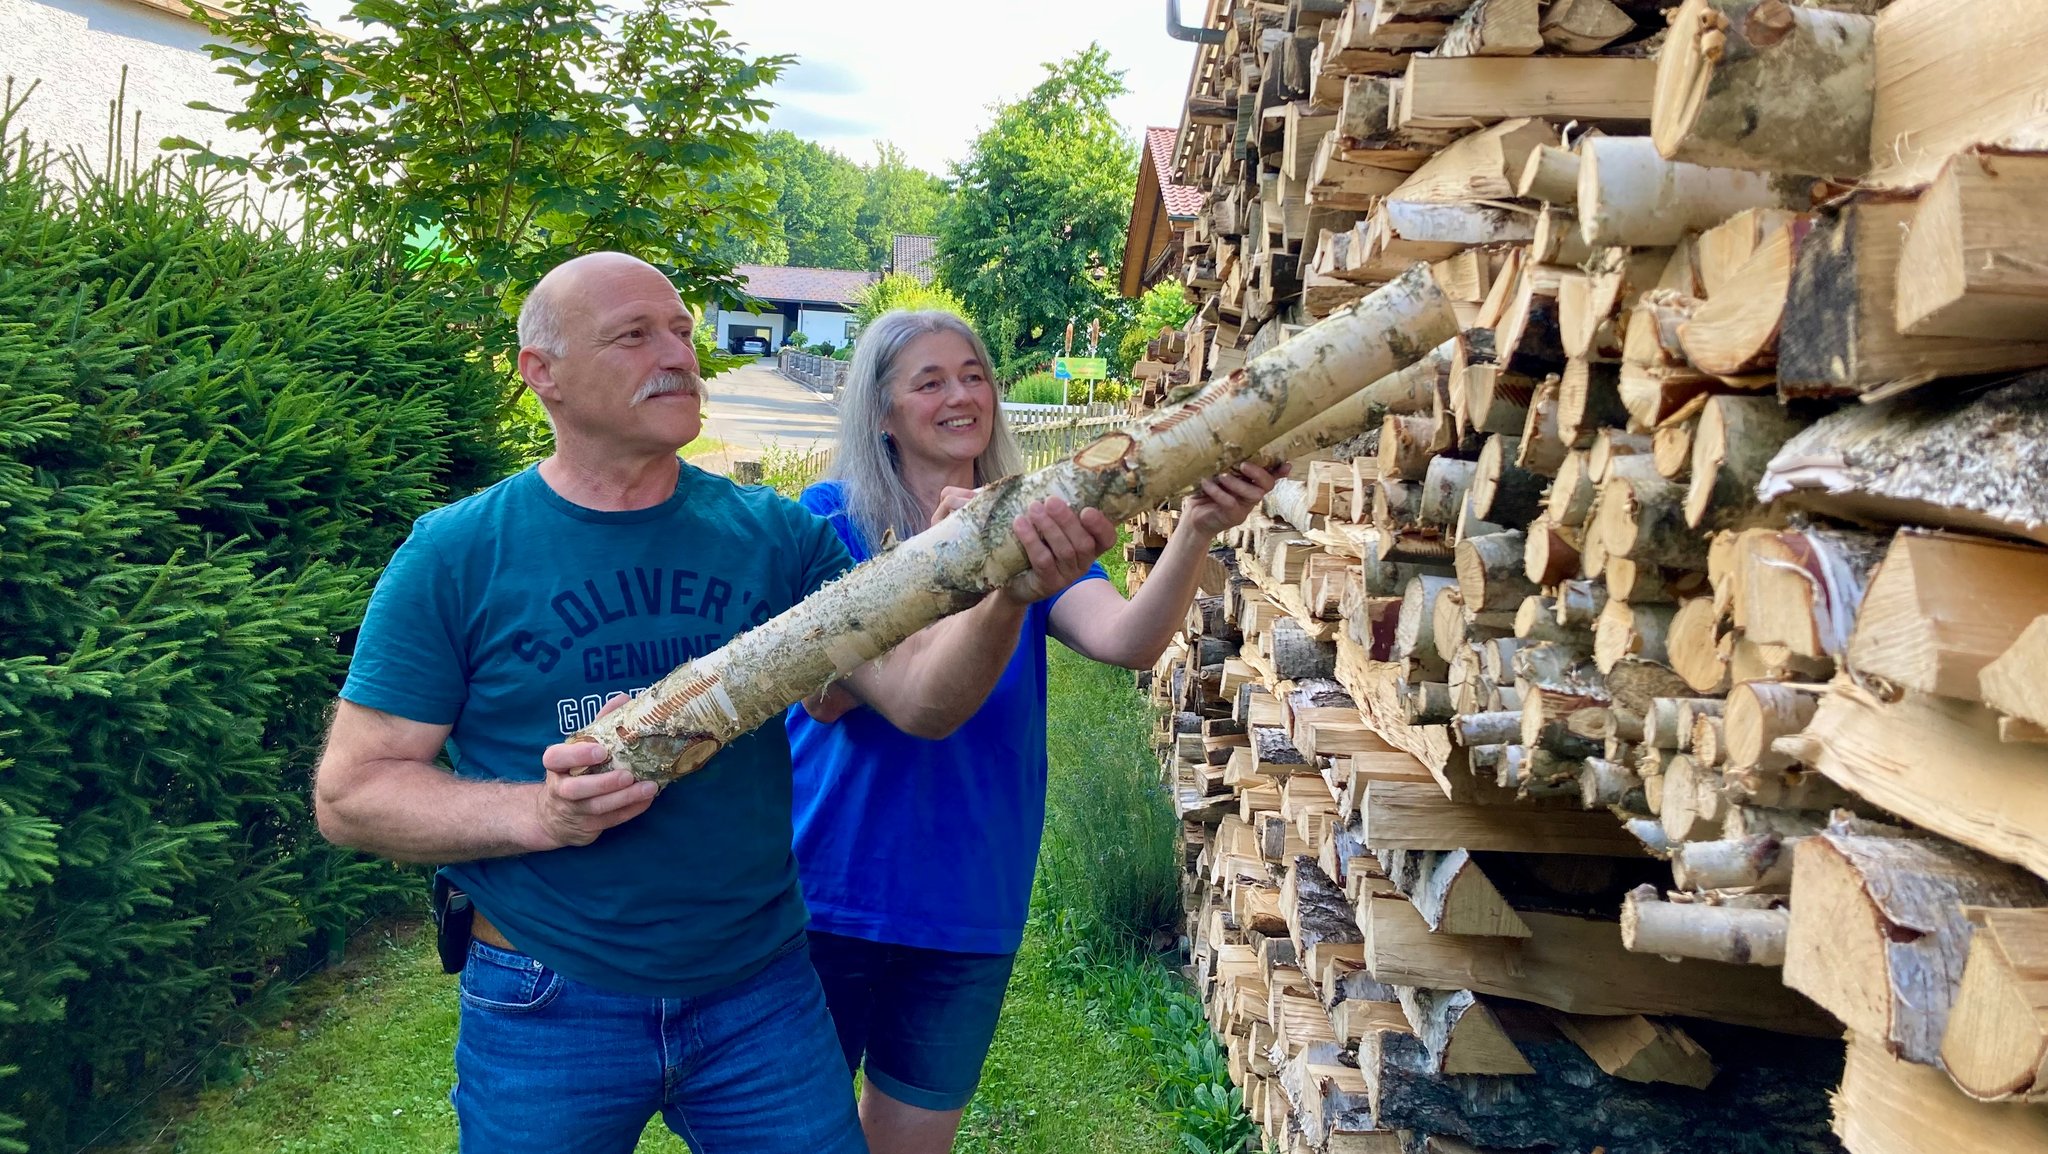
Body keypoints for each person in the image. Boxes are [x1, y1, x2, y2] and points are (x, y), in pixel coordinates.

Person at [312, 253, 1115, 1154]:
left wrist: (1006, 591)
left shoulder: (776, 539)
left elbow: (920, 702)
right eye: (634, 335)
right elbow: (353, 794)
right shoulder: (458, 555)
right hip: (546, 990)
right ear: (542, 372)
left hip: (757, 993)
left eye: (683, 332)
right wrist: (538, 813)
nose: (679, 355)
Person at [785, 309, 1278, 1154]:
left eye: (973, 374)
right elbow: (830, 697)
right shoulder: (829, 520)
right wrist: (957, 559)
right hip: (830, 887)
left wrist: (1197, 526)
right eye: (929, 380)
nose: (960, 394)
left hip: (970, 891)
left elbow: (1125, 641)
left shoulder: (1030, 522)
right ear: (880, 412)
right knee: (793, 1141)